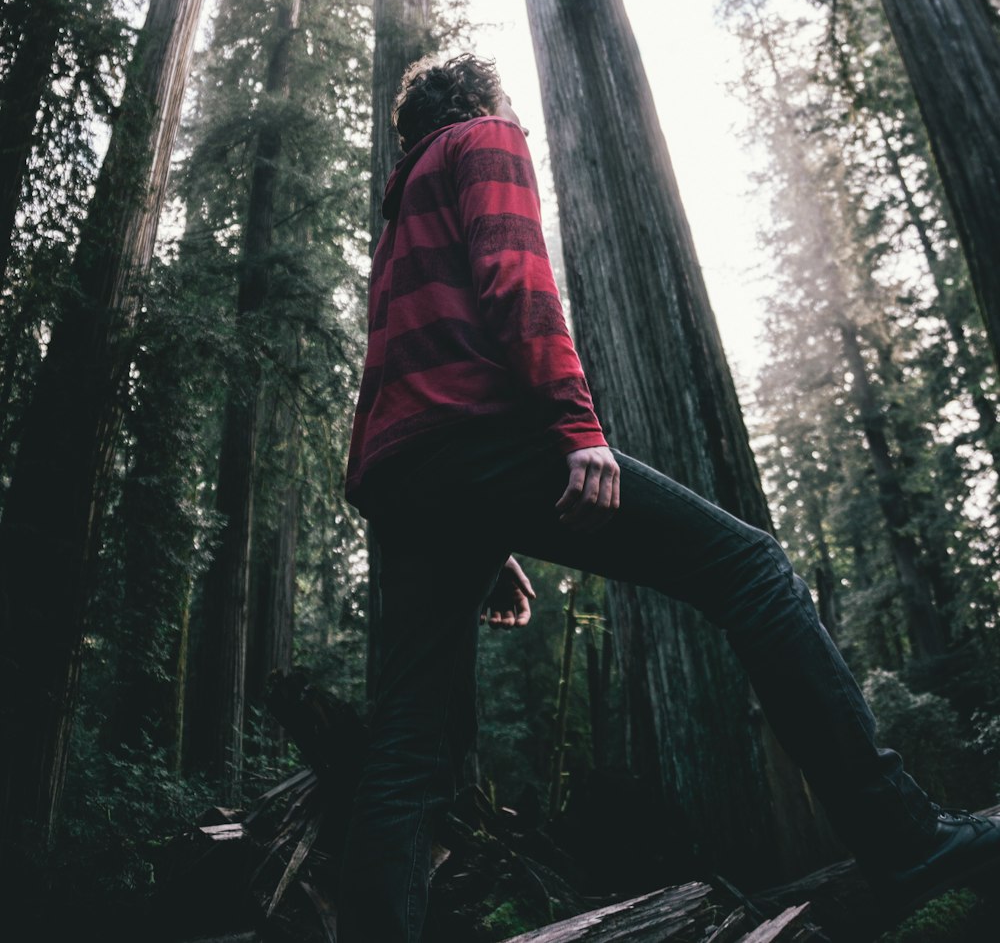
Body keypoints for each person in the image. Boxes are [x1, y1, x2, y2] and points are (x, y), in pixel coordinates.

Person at [337, 52, 1000, 942]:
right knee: (752, 570)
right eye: (508, 105)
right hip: (484, 443)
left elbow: (416, 367)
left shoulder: (399, 215)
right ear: (480, 103)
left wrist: (486, 545)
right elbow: (516, 283)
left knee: (409, 744)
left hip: (404, 477)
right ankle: (906, 839)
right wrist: (577, 430)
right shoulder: (483, 139)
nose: (518, 120)